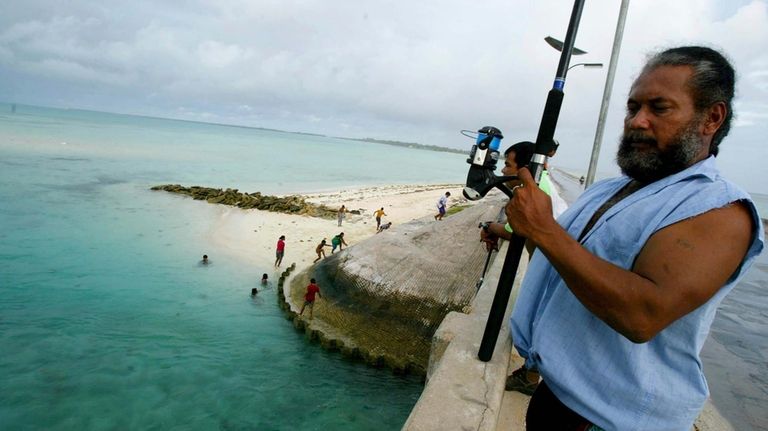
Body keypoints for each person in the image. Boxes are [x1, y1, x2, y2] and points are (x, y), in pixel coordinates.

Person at [504, 46, 763, 430]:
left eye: (659, 108)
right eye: (632, 107)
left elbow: (642, 315)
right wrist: (529, 225)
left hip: (613, 418)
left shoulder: (719, 210)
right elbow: (560, 264)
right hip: (559, 395)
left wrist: (544, 229)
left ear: (711, 118)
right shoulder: (609, 189)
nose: (637, 121)